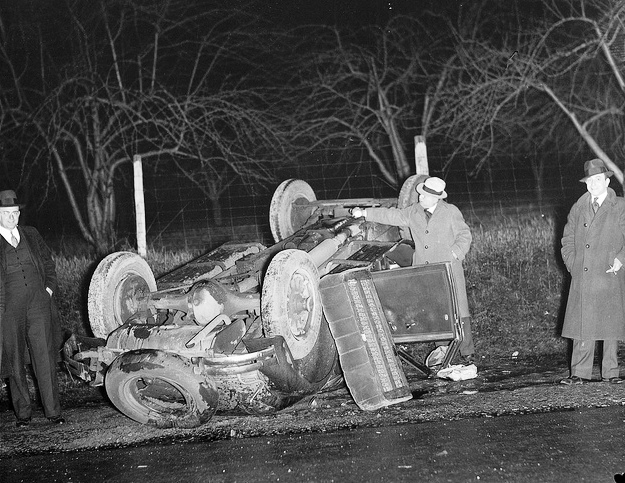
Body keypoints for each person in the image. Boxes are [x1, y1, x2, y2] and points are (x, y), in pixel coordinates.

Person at [351, 176, 475, 364]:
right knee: (434, 309)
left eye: (424, 195)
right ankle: (441, 349)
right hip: (425, 271)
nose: (420, 197)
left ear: (436, 198)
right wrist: (364, 213)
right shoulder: (413, 212)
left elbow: (464, 235)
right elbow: (392, 215)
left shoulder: (450, 212)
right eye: (420, 194)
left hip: (449, 269)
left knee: (459, 310)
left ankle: (467, 353)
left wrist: (455, 254)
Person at [0, 189, 65, 425]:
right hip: (9, 310)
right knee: (15, 360)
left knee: (44, 357)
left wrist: (48, 290)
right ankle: (23, 414)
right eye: (6, 213)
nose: (11, 218)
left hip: (38, 305)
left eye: (15, 213)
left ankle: (53, 411)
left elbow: (48, 264)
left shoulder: (31, 234)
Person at [560, 159, 625, 385]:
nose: (593, 185)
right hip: (584, 274)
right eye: (589, 181)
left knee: (609, 323)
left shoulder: (620, 207)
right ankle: (579, 372)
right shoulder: (579, 207)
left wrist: (620, 259)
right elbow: (567, 239)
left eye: (597, 180)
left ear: (607, 181)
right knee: (583, 323)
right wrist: (573, 263)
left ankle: (611, 372)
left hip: (609, 273)